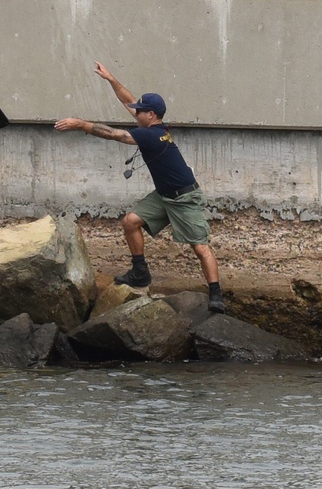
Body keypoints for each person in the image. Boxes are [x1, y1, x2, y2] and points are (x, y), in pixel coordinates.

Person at [54, 61, 226, 314]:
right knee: (131, 222)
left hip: (184, 197)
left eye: (140, 111)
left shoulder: (150, 135)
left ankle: (216, 295)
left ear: (151, 115)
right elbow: (129, 100)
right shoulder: (153, 126)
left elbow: (114, 134)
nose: (136, 113)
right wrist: (110, 79)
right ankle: (140, 272)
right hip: (164, 195)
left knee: (200, 247)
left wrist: (80, 124)